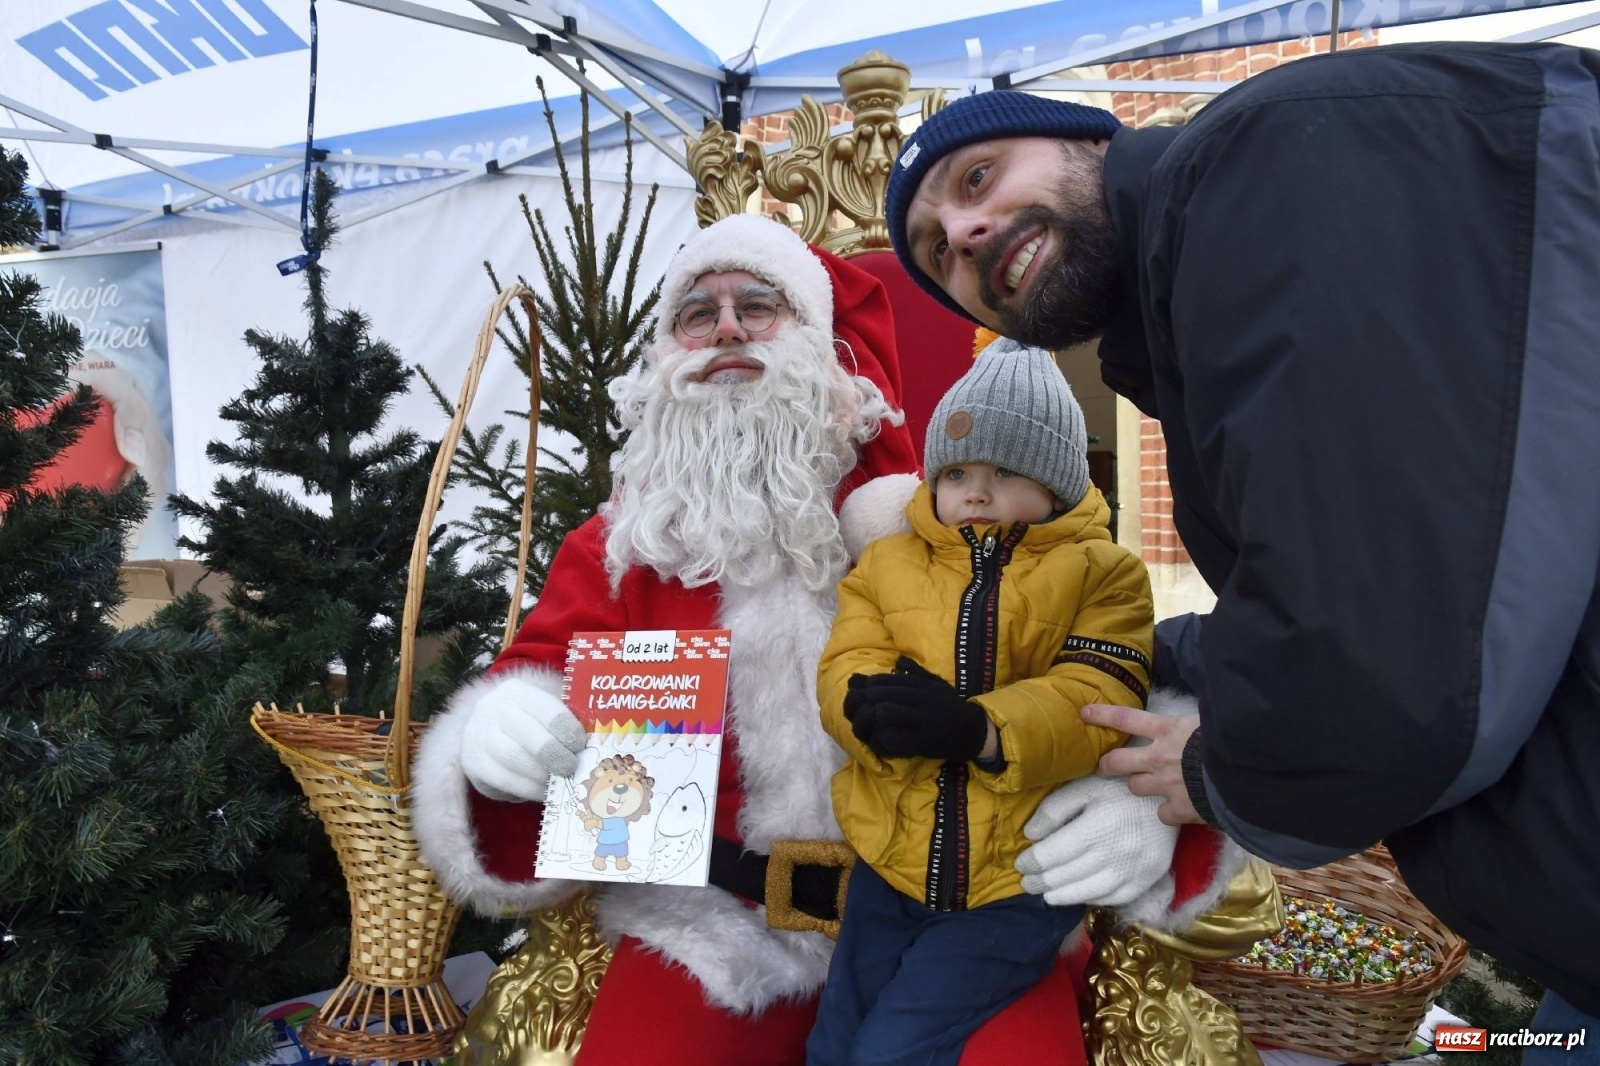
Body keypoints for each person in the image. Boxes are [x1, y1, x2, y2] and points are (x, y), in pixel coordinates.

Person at [412, 214, 1248, 1066]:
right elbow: (536, 676)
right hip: (716, 930)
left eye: (757, 305)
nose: (727, 328)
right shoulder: (623, 549)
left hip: (965, 909)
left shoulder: (943, 518)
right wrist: (505, 725)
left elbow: (1098, 661)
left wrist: (1143, 796)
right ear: (664, 357)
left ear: (822, 345)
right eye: (697, 314)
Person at [884, 41, 1600, 1037]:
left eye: (977, 178)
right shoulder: (1186, 303)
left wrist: (1211, 771)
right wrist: (1146, 660)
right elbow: (1411, 559)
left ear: (1091, 140)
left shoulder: (1256, 170)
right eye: (937, 256)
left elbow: (1383, 660)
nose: (964, 235)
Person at [808, 338, 1153, 1066]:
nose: (976, 492)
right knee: (834, 1040)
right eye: (958, 472)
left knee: (892, 1050)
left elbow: (1098, 690)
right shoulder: (888, 562)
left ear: (1057, 483)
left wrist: (983, 730)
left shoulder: (1103, 573)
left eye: (1007, 471)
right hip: (886, 861)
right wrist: (865, 711)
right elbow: (848, 659)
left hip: (1013, 885)